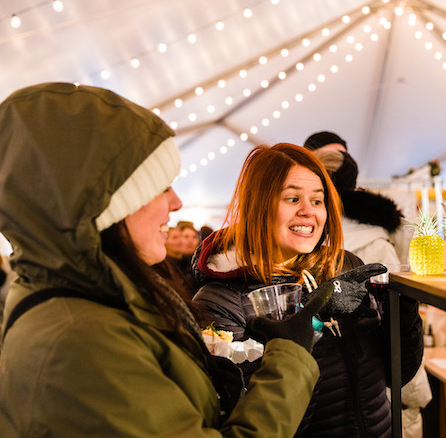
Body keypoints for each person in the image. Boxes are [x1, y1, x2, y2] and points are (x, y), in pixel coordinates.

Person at [0, 82, 333, 436]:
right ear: (105, 205)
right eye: (160, 187)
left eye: (318, 199)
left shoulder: (109, 297)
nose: (176, 203)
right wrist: (289, 357)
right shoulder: (81, 341)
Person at [191, 143, 424, 437]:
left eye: (317, 201)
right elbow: (260, 424)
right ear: (257, 204)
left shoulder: (345, 264)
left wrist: (403, 319)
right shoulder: (219, 302)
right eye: (292, 199)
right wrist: (311, 322)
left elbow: (397, 374)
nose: (308, 212)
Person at [313, 147, 432, 438]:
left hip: (337, 396)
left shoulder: (317, 242)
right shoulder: (378, 242)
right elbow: (399, 340)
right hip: (383, 393)